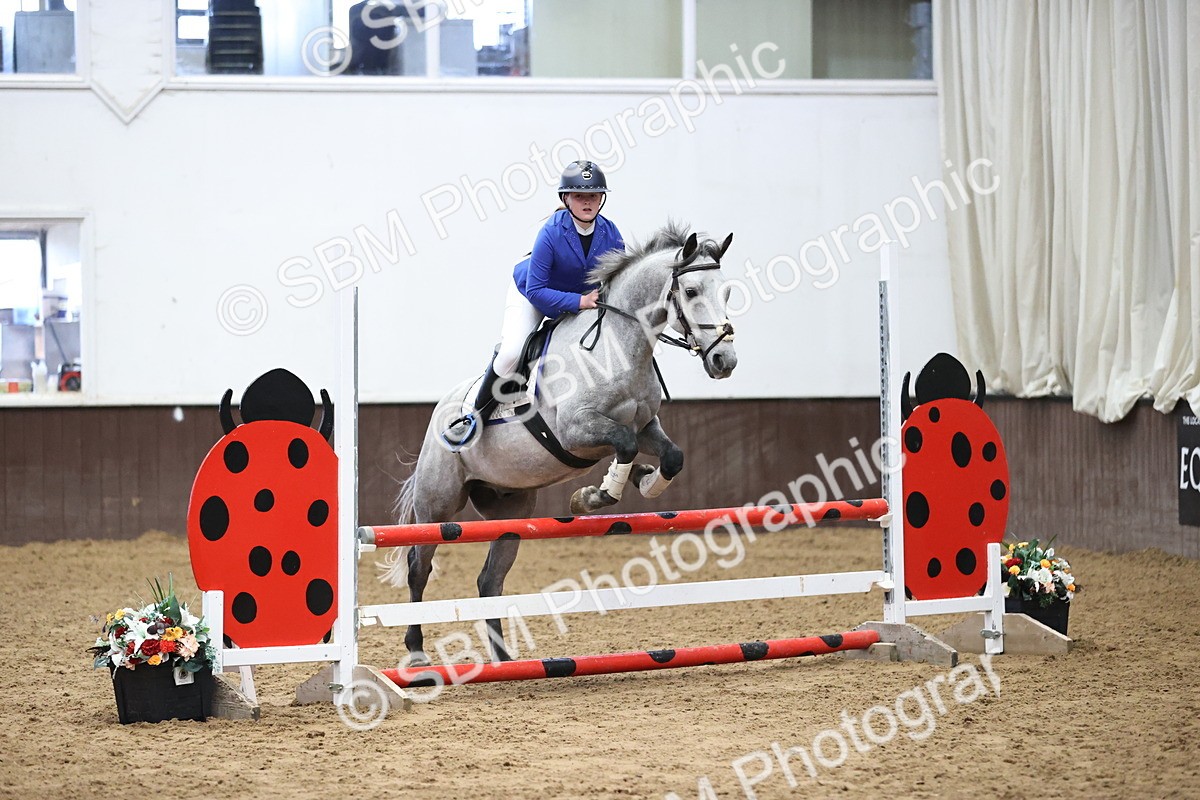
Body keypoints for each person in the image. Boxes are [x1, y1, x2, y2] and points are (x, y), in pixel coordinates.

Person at [443, 159, 625, 447]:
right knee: (511, 353)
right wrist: (579, 301)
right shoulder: (551, 232)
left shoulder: (611, 233)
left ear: (602, 199)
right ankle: (474, 417)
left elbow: (616, 282)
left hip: (581, 301)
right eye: (580, 195)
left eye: (593, 195)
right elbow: (537, 290)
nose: (587, 202)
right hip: (532, 295)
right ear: (566, 198)